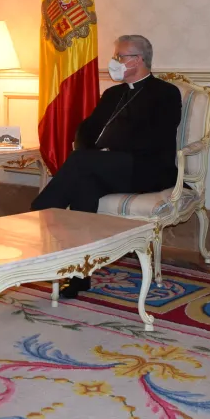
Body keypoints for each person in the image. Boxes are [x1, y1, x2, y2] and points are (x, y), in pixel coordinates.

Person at [31, 35, 181, 299]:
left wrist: (109, 152)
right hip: (110, 167)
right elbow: (87, 128)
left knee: (82, 163)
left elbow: (158, 138)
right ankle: (80, 274)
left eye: (121, 56)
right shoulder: (113, 94)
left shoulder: (165, 93)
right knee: (84, 186)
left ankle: (38, 213)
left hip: (148, 169)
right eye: (117, 56)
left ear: (139, 60)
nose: (116, 61)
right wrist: (91, 150)